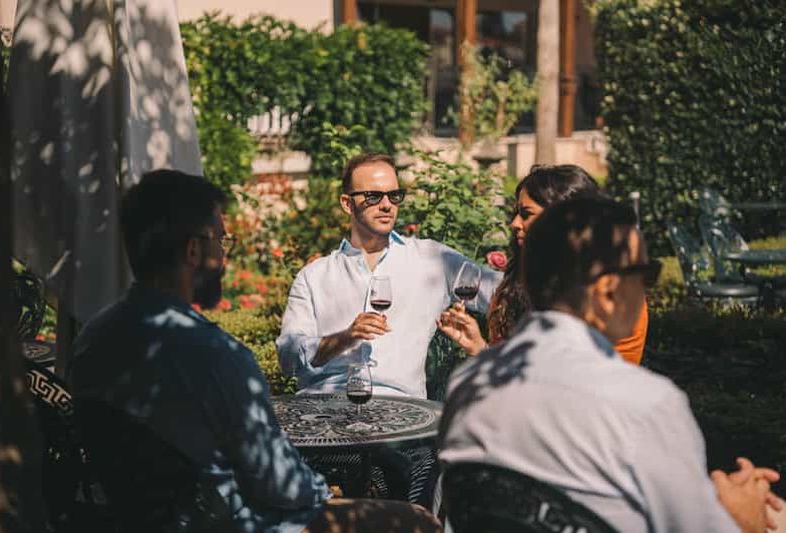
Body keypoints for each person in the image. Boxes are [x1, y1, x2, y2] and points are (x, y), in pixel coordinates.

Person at [70, 169, 440, 532]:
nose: (225, 257)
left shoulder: (94, 337)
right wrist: (323, 490)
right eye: (221, 242)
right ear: (194, 249)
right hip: (230, 523)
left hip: (128, 521)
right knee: (416, 521)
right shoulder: (216, 356)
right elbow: (279, 483)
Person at [438, 197, 780, 532]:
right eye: (645, 273)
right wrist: (744, 516)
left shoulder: (469, 381)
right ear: (607, 292)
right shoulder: (643, 403)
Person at [276, 153, 500, 398]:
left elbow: (507, 294)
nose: (386, 205)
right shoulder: (314, 276)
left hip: (399, 409)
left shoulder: (432, 260)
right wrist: (343, 339)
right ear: (346, 203)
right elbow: (288, 358)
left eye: (394, 196)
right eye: (373, 196)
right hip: (324, 407)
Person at [437, 164, 648, 364]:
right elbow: (507, 371)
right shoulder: (515, 283)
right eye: (516, 213)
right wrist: (478, 347)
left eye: (526, 214)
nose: (514, 224)